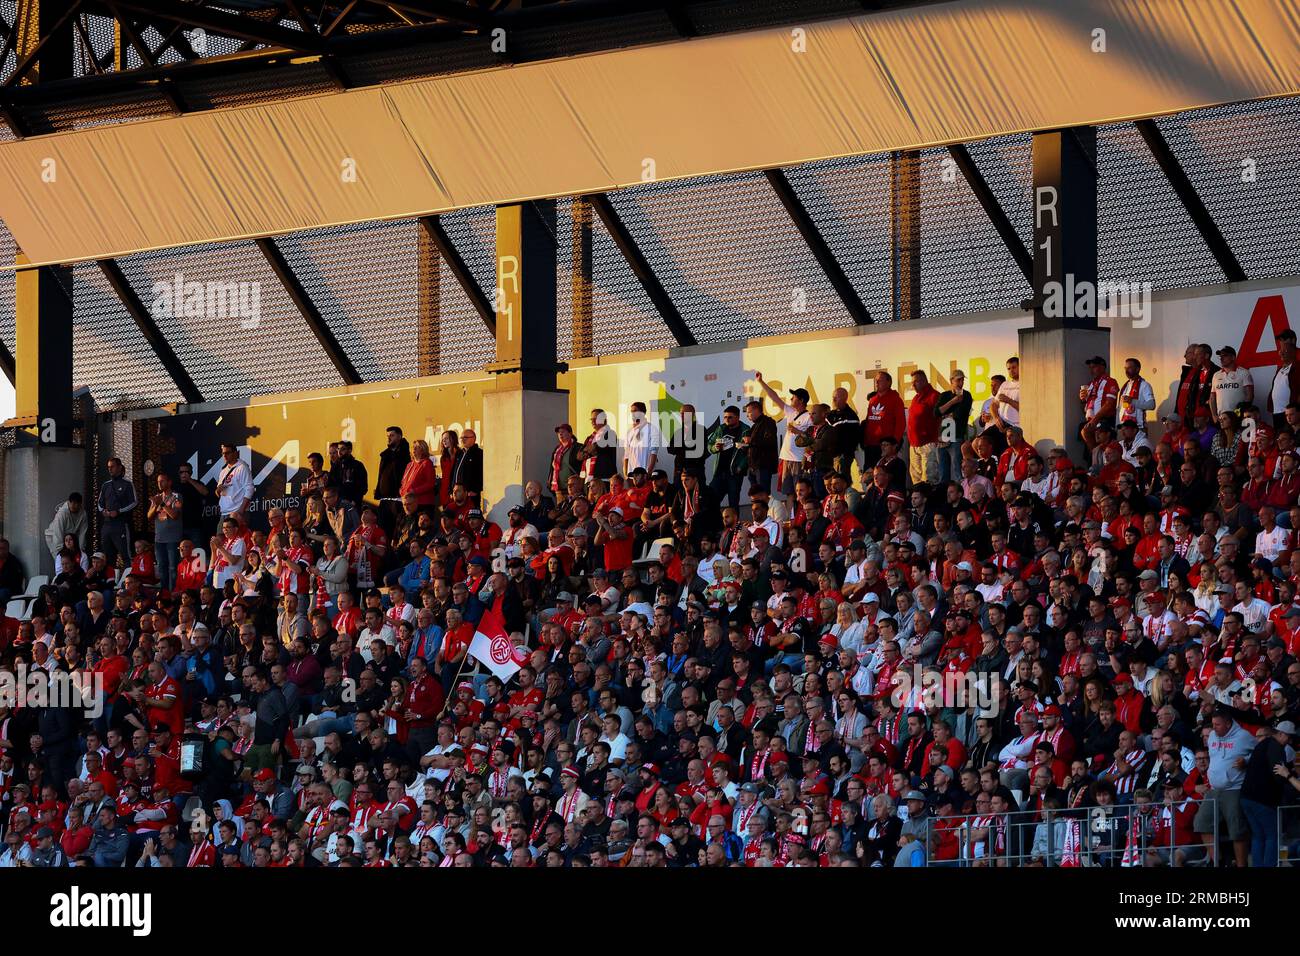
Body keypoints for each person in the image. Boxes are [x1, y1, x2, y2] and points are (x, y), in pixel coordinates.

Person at [96, 456, 137, 568]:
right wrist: (103, 511)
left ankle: (129, 581)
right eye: (109, 467)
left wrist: (119, 512)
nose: (110, 469)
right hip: (107, 525)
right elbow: (99, 503)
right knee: (108, 556)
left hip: (121, 524)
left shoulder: (127, 484)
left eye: (112, 467)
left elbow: (134, 502)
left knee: (126, 555)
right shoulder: (106, 485)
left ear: (119, 467)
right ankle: (111, 581)